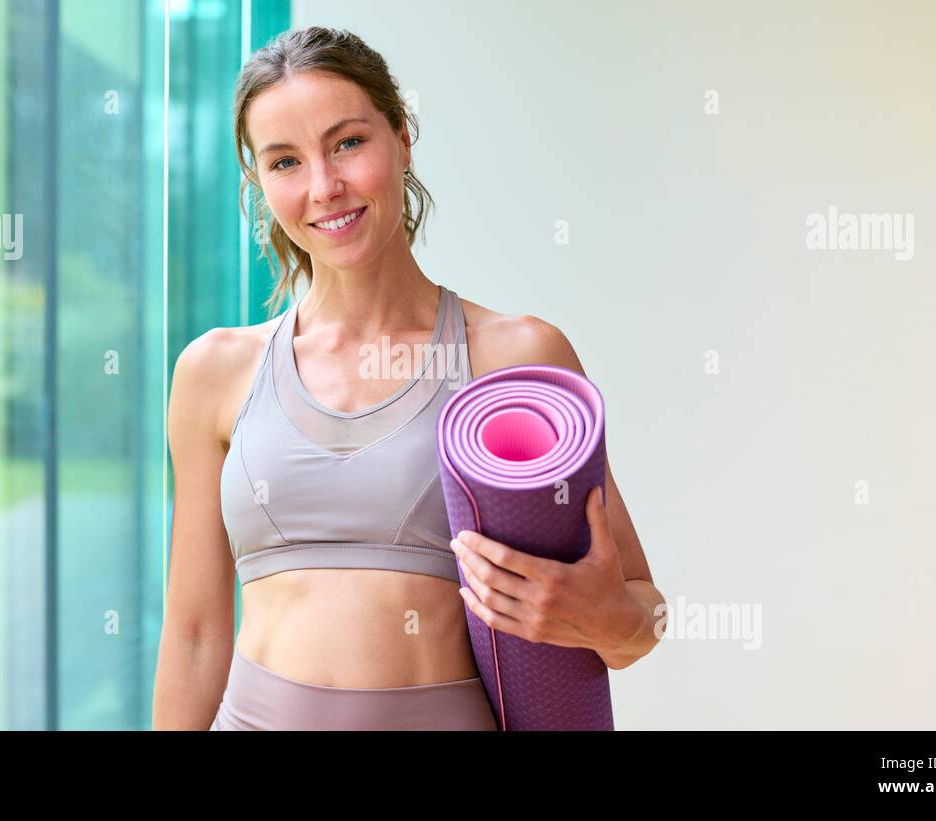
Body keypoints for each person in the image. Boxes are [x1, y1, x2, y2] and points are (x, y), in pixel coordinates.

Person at [152, 26, 663, 731]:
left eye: (348, 143)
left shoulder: (514, 355)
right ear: (259, 182)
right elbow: (194, 634)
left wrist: (601, 616)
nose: (324, 187)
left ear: (401, 138)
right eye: (285, 162)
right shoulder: (213, 371)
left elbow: (641, 616)